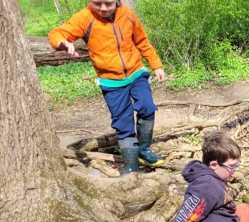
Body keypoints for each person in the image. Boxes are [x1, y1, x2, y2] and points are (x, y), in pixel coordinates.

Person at [48, 0, 166, 175]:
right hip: (111, 81)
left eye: (108, 4)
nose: (103, 8)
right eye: (97, 3)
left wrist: (156, 65)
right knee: (123, 122)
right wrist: (64, 43)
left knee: (147, 108)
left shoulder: (127, 15)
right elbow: (56, 34)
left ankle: (144, 149)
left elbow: (142, 41)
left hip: (136, 73)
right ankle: (131, 164)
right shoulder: (84, 18)